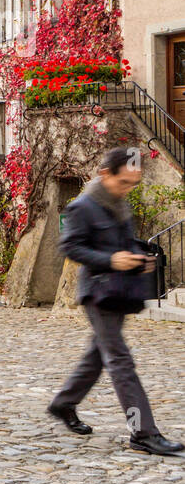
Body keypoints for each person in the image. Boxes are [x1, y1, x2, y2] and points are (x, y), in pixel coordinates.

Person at [49, 147, 182, 455]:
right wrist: (111, 260)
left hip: (118, 292)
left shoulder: (117, 202)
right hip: (98, 293)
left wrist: (138, 258)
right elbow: (69, 247)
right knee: (120, 361)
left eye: (133, 184)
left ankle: (63, 403)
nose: (128, 189)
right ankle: (143, 433)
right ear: (105, 174)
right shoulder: (82, 206)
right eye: (124, 183)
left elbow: (119, 245)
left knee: (98, 355)